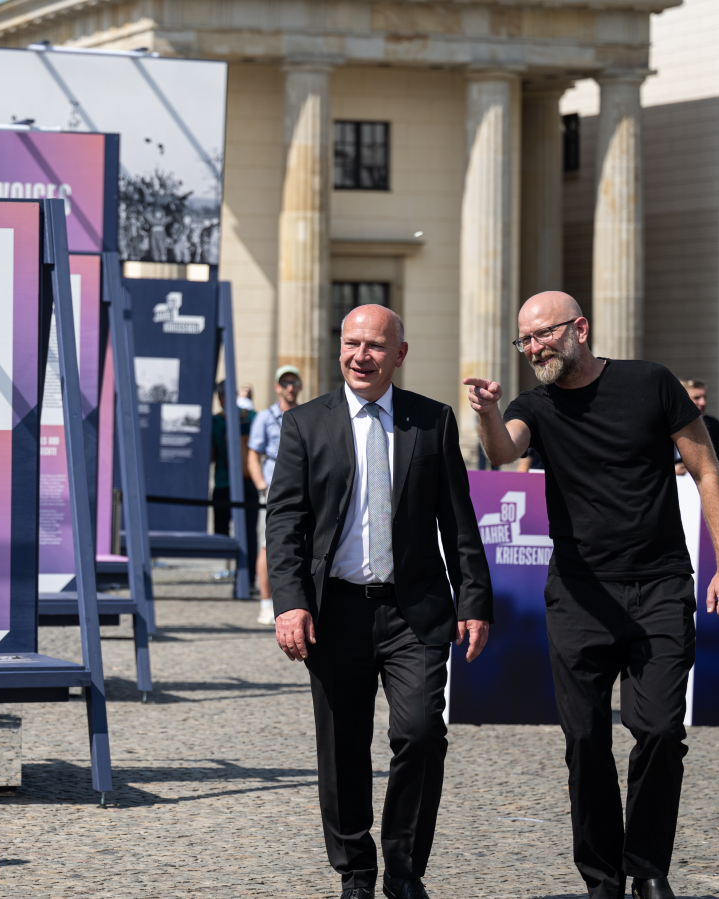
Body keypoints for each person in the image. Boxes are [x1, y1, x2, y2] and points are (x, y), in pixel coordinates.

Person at [464, 291, 719, 899]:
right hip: (577, 594)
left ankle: (646, 866)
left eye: (544, 334)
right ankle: (602, 877)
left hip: (660, 586)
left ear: (580, 329)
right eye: (526, 340)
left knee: (662, 731)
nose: (534, 347)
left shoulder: (651, 383)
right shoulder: (532, 405)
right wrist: (486, 412)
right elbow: (502, 450)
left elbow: (706, 471)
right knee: (586, 739)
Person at [268, 304, 492, 899]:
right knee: (342, 745)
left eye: (373, 345)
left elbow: (459, 521)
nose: (359, 356)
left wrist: (475, 601)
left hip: (412, 612)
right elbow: (285, 522)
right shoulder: (305, 425)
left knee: (420, 734)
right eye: (350, 343)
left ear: (400, 352)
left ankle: (405, 869)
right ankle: (356, 872)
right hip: (334, 611)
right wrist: (289, 603)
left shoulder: (432, 421)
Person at [247, 365, 303, 624]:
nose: (290, 387)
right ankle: (265, 602)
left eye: (294, 382)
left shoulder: (306, 415)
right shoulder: (264, 417)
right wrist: (261, 487)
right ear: (278, 387)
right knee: (267, 547)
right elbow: (253, 455)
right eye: (285, 383)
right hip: (273, 490)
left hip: (301, 490)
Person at [211, 381, 257, 566]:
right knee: (247, 532)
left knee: (224, 530)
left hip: (226, 481)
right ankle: (245, 574)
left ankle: (231, 568)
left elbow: (212, 454)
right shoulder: (251, 416)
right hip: (244, 479)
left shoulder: (216, 421)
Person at [673, 379, 719, 477]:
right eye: (697, 398)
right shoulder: (661, 426)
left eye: (704, 397)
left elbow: (715, 466)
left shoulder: (714, 426)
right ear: (681, 400)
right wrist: (672, 472)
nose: (703, 402)